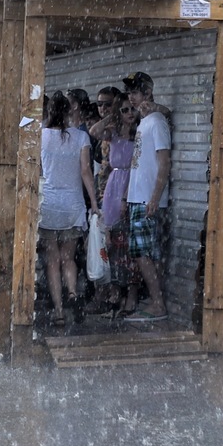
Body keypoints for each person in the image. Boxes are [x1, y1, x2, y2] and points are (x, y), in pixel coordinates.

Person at [39, 91, 100, 327]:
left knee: (52, 260)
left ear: (49, 112)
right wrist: (93, 203)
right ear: (68, 112)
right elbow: (86, 171)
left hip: (49, 206)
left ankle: (58, 311)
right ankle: (73, 292)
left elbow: (37, 171)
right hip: (73, 205)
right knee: (69, 258)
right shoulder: (81, 137)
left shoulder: (41, 136)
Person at [121, 71, 171, 322]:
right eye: (129, 92)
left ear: (147, 93)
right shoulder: (144, 122)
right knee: (143, 253)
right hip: (138, 198)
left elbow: (164, 163)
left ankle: (158, 303)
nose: (131, 96)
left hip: (147, 199)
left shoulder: (157, 121)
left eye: (135, 91)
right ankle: (155, 301)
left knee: (145, 254)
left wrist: (154, 198)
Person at [88, 90, 142, 315]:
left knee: (128, 245)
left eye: (131, 109)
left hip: (130, 184)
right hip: (113, 185)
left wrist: (124, 197)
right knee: (110, 242)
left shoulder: (139, 134)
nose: (129, 113)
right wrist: (112, 116)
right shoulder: (114, 133)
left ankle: (131, 294)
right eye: (125, 110)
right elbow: (94, 131)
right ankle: (112, 293)